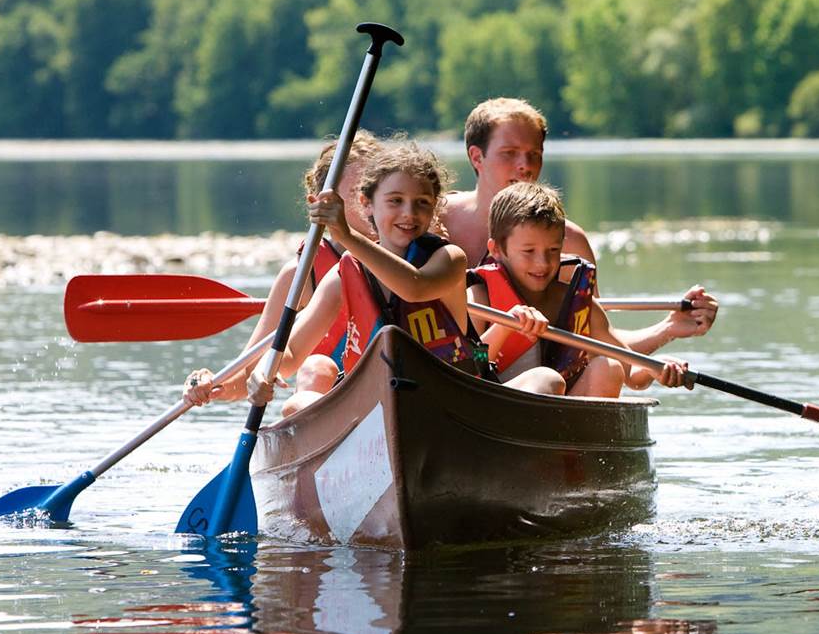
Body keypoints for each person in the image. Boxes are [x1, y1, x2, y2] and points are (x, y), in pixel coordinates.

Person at [439, 98, 719, 354]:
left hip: (529, 382)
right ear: (477, 157)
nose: (525, 165)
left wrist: (668, 328)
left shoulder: (569, 241)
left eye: (534, 154)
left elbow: (599, 343)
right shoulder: (434, 220)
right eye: (510, 153)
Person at [246, 139, 480, 417]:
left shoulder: (449, 258)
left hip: (445, 402)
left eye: (422, 203)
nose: (409, 213)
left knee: (543, 379)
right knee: (298, 404)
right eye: (395, 200)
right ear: (366, 203)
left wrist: (346, 235)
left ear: (434, 208)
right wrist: (263, 370)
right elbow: (293, 352)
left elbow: (414, 288)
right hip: (375, 407)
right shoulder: (345, 273)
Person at [182, 131, 379, 406]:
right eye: (360, 192)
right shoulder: (300, 276)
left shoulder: (408, 255)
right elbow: (249, 372)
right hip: (330, 398)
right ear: (320, 202)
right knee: (316, 367)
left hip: (393, 386)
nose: (371, 202)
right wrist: (212, 385)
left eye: (378, 190)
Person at [469, 182, 690, 399]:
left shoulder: (582, 307)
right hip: (496, 405)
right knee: (547, 379)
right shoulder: (480, 296)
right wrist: (503, 326)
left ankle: (580, 434)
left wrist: (657, 369)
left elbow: (630, 374)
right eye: (528, 251)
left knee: (609, 366)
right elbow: (468, 364)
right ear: (496, 249)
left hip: (561, 420)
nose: (542, 263)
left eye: (553, 250)